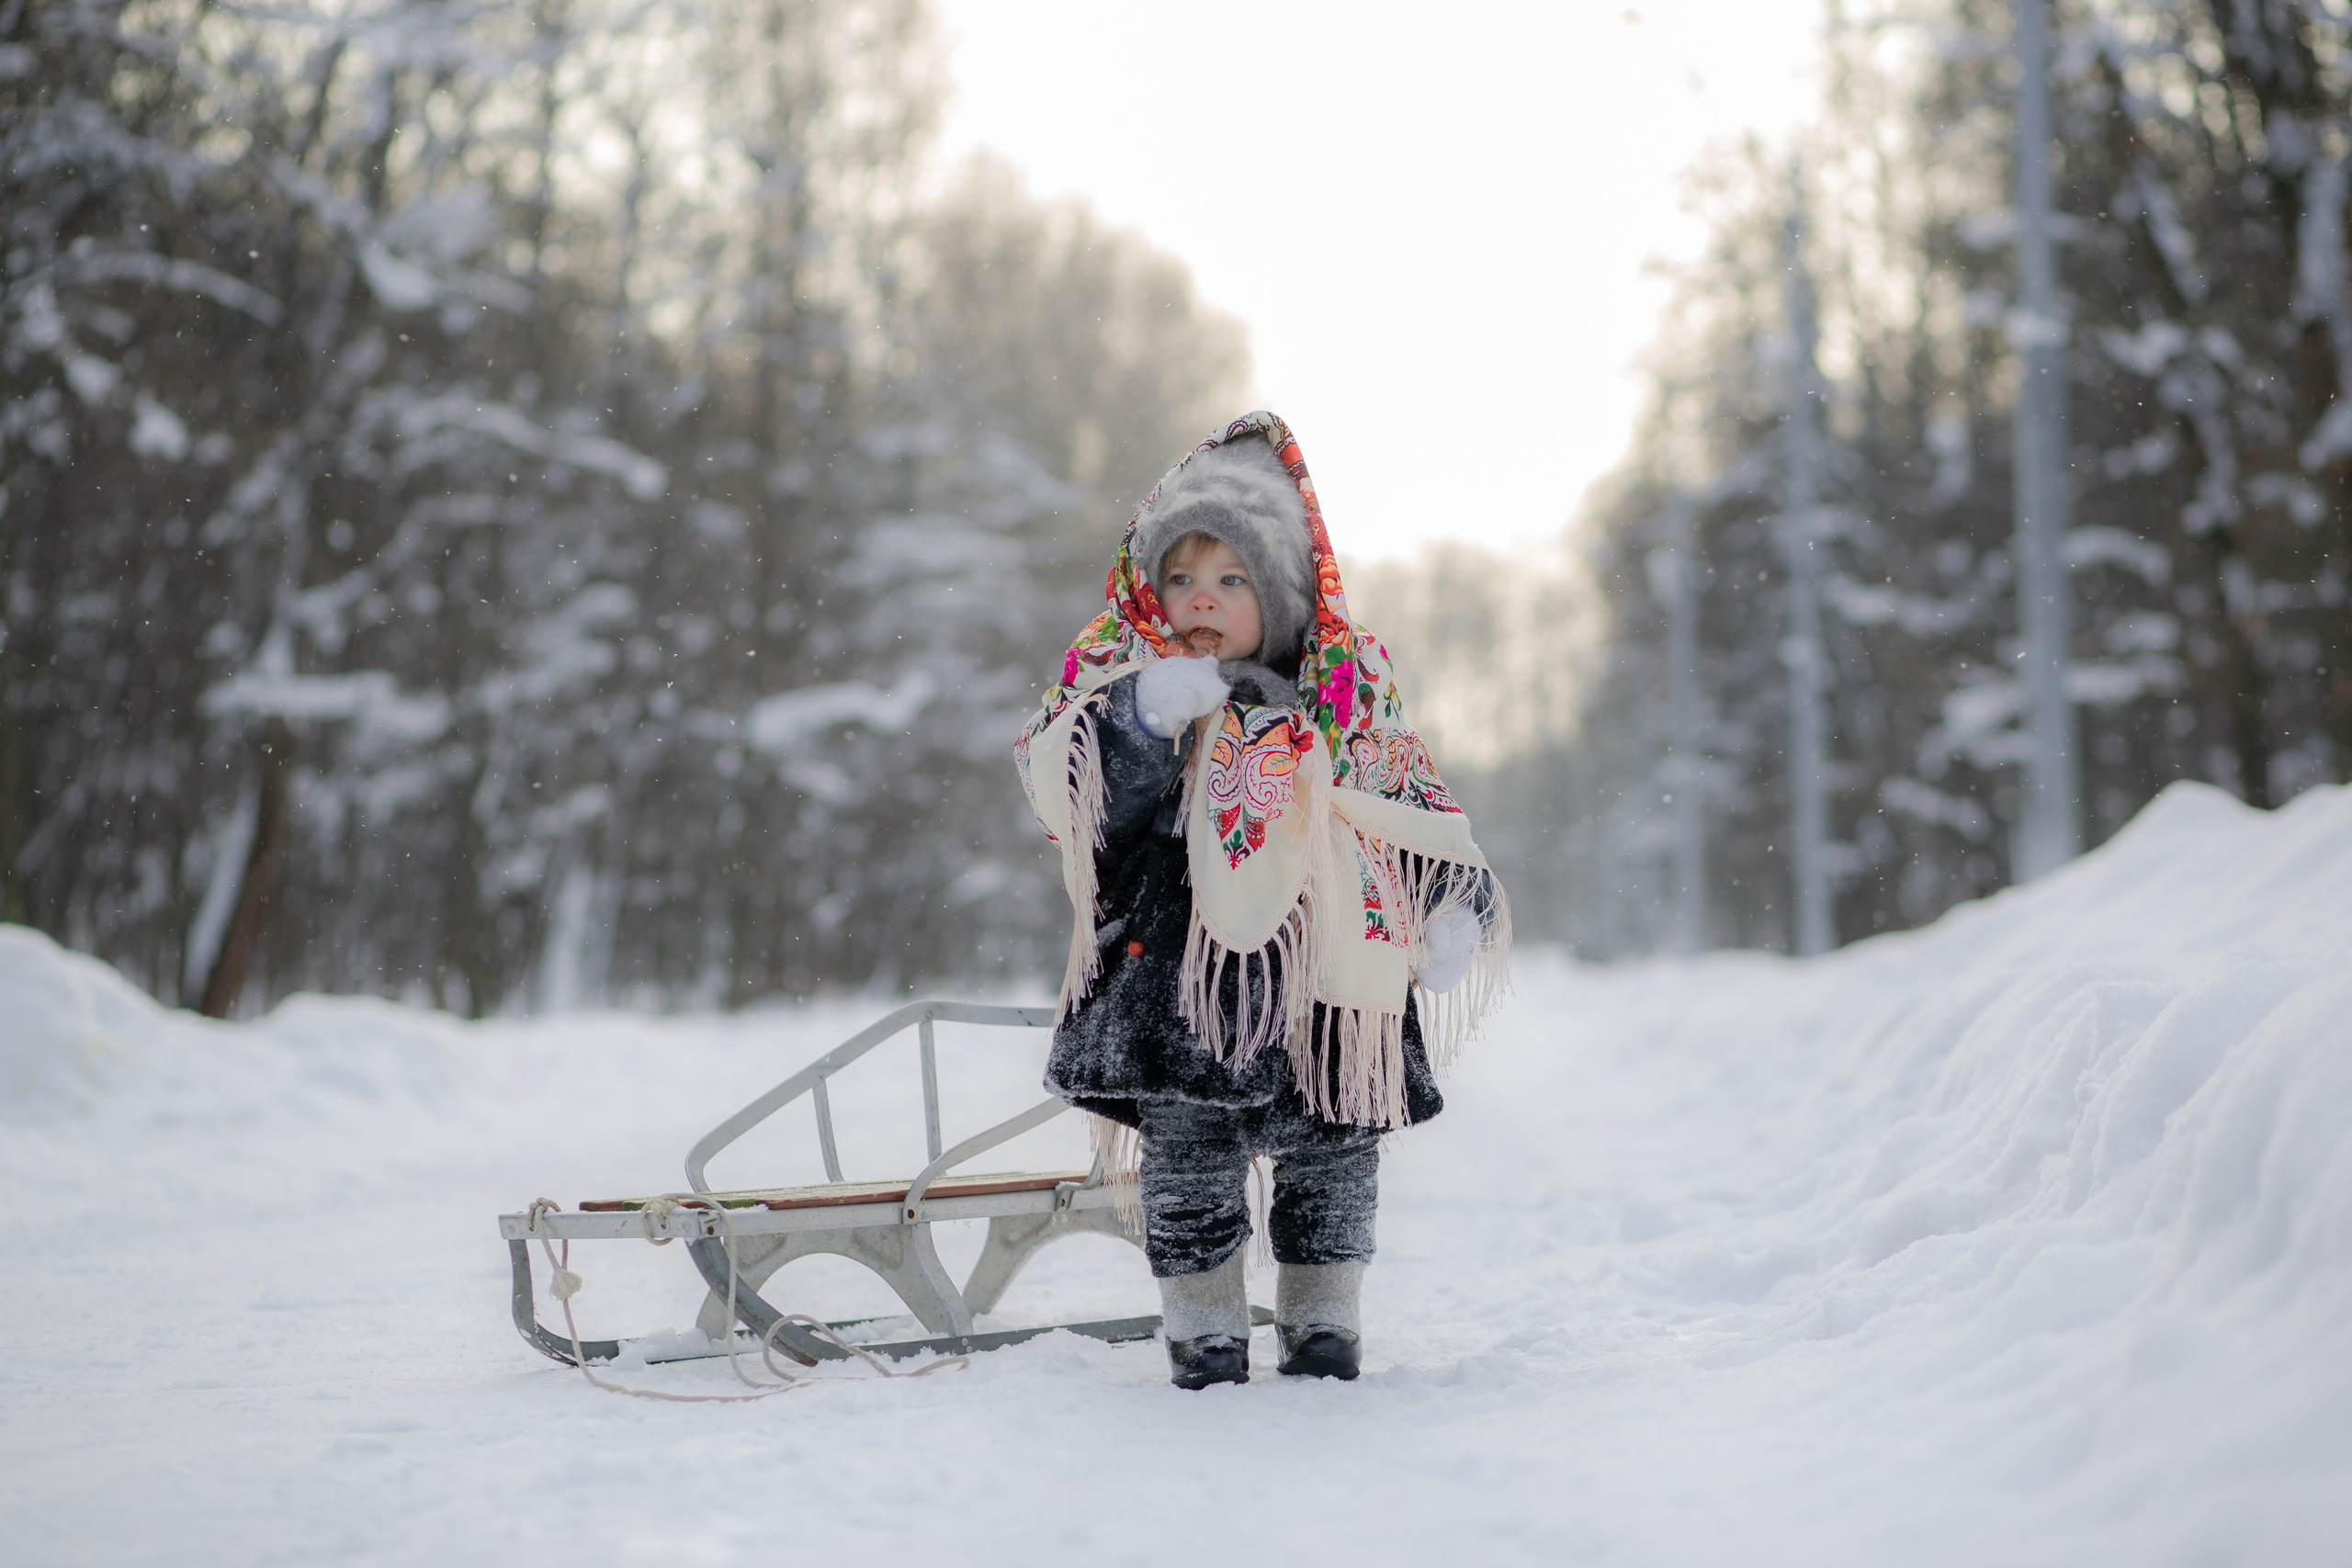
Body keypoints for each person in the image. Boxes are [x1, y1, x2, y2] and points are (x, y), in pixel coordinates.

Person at [1015, 412, 1508, 1390]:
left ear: (1275, 592)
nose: (1201, 602)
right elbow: (1078, 804)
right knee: (1187, 1152)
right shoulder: (1131, 674)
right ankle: (1202, 1324)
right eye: (1182, 579)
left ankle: (1323, 1314)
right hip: (1175, 975)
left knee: (1332, 1145)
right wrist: (1140, 724)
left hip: (1328, 982)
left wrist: (1448, 908)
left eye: (1231, 580)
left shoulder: (1342, 684)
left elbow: (1404, 798)